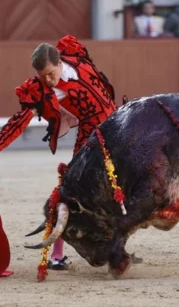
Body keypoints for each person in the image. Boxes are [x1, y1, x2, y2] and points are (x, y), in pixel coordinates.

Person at [0, 35, 118, 270]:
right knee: (71, 191)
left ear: (59, 62)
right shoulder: (40, 89)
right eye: (43, 76)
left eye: (51, 74)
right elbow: (19, 121)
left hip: (118, 124)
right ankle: (56, 255)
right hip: (90, 138)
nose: (48, 80)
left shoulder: (78, 58)